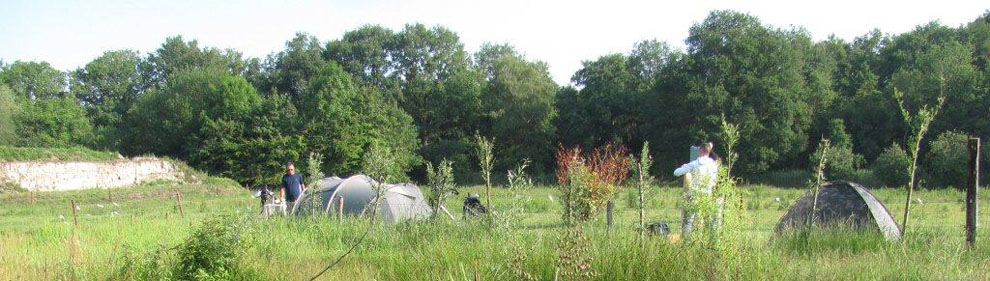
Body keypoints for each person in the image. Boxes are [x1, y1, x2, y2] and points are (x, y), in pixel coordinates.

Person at [673, 142, 720, 237]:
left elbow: (676, 173)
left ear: (700, 151)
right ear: (709, 151)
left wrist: (684, 167)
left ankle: (686, 243)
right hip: (708, 195)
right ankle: (714, 241)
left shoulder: (694, 164)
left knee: (688, 221)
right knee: (711, 221)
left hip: (695, 194)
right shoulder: (713, 165)